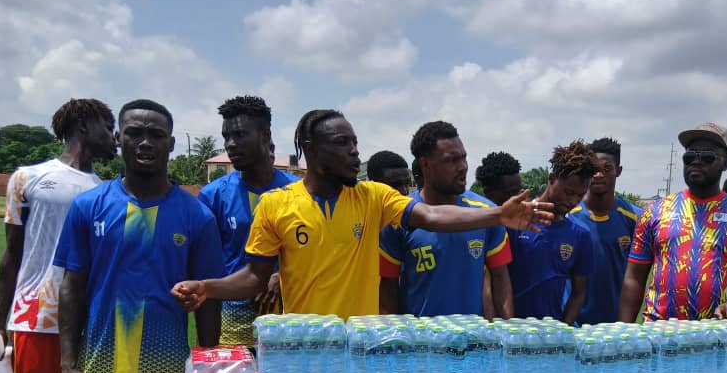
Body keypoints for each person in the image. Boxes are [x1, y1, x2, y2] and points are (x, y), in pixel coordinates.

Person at [171, 109, 551, 319]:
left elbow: (433, 217)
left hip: (363, 349)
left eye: (355, 142)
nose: (355, 151)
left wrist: (495, 216)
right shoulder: (276, 204)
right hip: (307, 349)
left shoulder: (374, 198)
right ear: (311, 149)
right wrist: (208, 288)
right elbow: (255, 277)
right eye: (342, 143)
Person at [54, 99, 224, 373]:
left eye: (156, 135)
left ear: (171, 144)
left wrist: (207, 372)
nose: (145, 142)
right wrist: (67, 366)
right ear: (118, 138)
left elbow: (209, 300)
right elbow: (71, 289)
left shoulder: (197, 216)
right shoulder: (88, 206)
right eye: (134, 133)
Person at [0, 98, 116, 373]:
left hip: (90, 321)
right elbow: (12, 255)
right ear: (84, 125)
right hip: (37, 318)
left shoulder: (106, 191)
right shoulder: (27, 178)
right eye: (108, 128)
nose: (115, 137)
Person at [619, 122, 727, 324]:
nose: (696, 162)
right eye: (690, 156)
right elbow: (634, 278)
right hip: (660, 332)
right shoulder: (655, 212)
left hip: (719, 332)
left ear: (725, 163)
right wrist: (625, 331)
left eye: (707, 157)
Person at [378, 121, 513, 318]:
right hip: (420, 336)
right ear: (425, 164)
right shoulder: (399, 218)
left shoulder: (488, 214)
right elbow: (389, 289)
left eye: (464, 158)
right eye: (452, 160)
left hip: (472, 336)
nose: (463, 167)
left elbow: (500, 278)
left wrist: (506, 329)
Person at [198, 96, 296, 346]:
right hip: (232, 317)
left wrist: (279, 277)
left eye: (240, 135)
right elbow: (209, 264)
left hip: (287, 314)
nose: (231, 144)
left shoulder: (298, 192)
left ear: (265, 135)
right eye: (227, 136)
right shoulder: (213, 195)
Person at [507, 140, 597, 323]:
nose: (573, 201)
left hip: (552, 331)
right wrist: (505, 325)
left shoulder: (580, 234)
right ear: (552, 178)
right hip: (513, 330)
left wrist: (564, 329)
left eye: (580, 195)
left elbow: (579, 293)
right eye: (568, 192)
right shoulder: (516, 221)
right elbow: (499, 279)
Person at [569, 137, 642, 324]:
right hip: (573, 327)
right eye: (593, 169)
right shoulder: (569, 216)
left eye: (607, 168)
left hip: (616, 328)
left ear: (618, 171)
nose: (599, 175)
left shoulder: (635, 218)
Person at [475, 151, 524, 318]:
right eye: (510, 194)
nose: (518, 199)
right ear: (488, 192)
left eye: (519, 192)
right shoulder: (478, 226)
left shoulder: (526, 226)